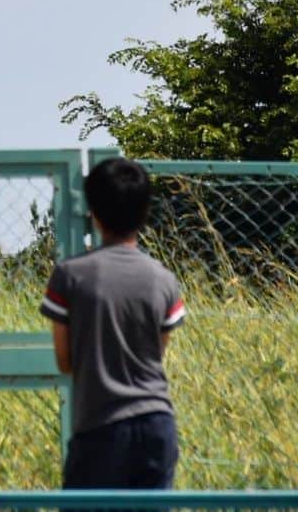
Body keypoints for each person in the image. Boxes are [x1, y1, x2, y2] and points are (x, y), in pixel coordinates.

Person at [40, 157, 185, 493]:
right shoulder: (163, 279)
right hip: (157, 424)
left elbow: (65, 361)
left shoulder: (69, 276)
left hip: (99, 428)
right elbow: (156, 353)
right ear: (144, 212)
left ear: (94, 212)